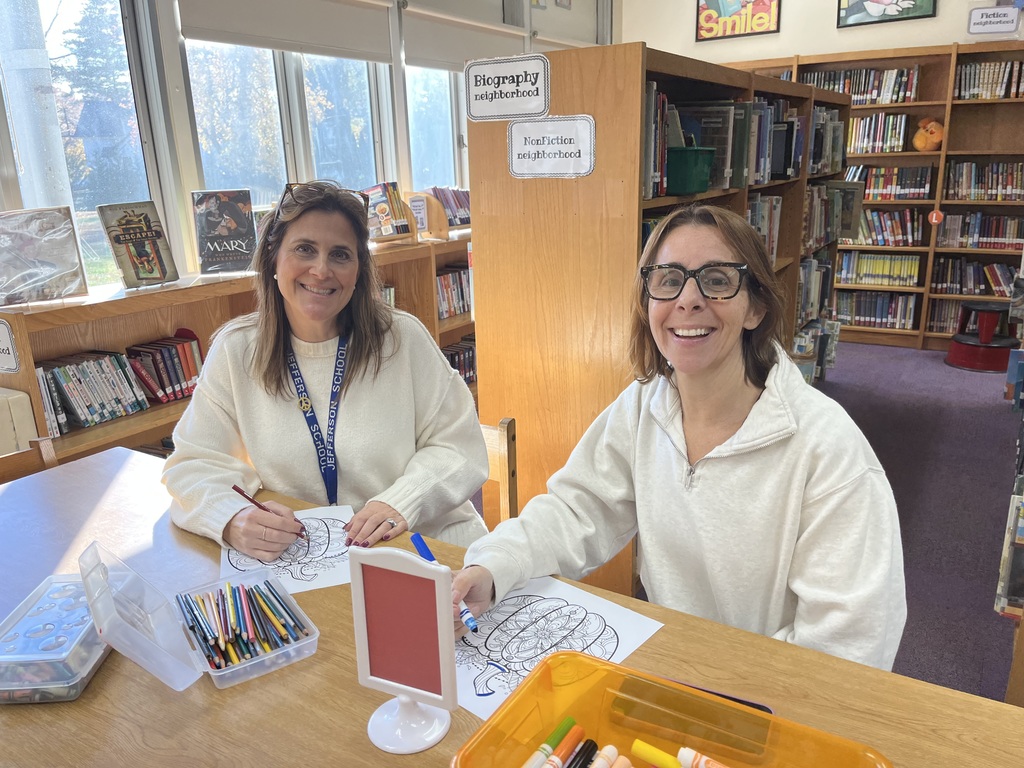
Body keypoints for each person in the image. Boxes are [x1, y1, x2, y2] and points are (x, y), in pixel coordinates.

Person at [453, 204, 907, 671]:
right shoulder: (642, 404)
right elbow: (576, 511)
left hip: (769, 705)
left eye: (716, 279)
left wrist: (726, 694)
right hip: (672, 672)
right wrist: (493, 567)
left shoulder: (830, 452)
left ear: (755, 307)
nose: (688, 300)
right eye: (668, 280)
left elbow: (851, 645)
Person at [163, 180, 488, 560]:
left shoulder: (402, 338)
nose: (321, 270)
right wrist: (231, 518)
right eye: (304, 249)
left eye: (340, 255)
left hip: (424, 544)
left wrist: (402, 501)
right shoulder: (237, 350)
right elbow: (192, 464)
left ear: (358, 271)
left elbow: (459, 445)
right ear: (273, 261)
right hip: (313, 560)